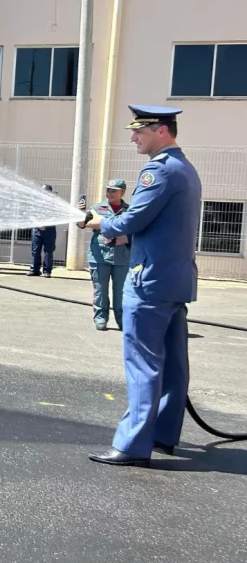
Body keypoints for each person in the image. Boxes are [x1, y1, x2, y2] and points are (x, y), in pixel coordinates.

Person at [79, 105, 201, 467]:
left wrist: (99, 222)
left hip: (149, 281)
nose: (133, 138)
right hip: (175, 280)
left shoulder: (158, 171)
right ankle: (162, 435)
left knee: (143, 363)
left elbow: (134, 219)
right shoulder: (185, 168)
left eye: (139, 131)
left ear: (161, 131)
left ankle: (132, 445)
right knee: (174, 364)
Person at [86, 179, 131, 331]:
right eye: (108, 190)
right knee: (100, 290)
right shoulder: (97, 208)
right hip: (99, 255)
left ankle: (122, 320)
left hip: (122, 257)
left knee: (121, 292)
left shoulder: (129, 210)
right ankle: (100, 318)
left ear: (122, 192)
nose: (110, 193)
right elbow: (86, 223)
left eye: (114, 191)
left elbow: (134, 228)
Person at [27, 184, 57, 278]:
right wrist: (39, 224)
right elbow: (30, 215)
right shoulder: (35, 203)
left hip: (50, 230)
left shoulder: (54, 204)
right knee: (35, 250)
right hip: (37, 229)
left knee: (48, 251)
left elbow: (57, 216)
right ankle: (34, 270)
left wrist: (46, 224)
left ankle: (47, 271)